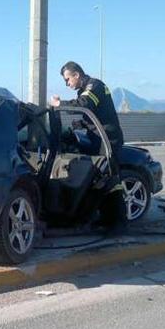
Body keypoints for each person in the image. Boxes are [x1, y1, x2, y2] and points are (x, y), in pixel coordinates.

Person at [50, 61, 127, 234]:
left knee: (111, 179)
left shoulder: (94, 86)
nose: (67, 83)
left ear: (76, 74)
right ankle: (105, 218)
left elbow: (84, 105)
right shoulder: (86, 89)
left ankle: (119, 222)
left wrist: (60, 105)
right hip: (98, 138)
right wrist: (77, 125)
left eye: (67, 79)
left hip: (108, 140)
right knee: (100, 178)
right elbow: (92, 114)